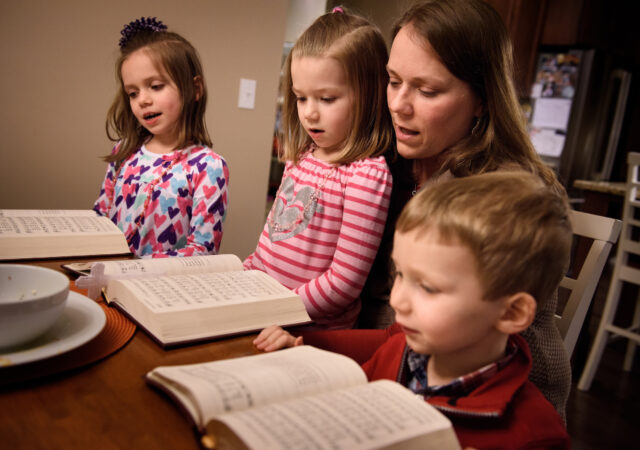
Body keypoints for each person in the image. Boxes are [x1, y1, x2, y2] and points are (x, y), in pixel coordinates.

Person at [355, 0, 572, 420]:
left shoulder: (502, 194)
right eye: (393, 80)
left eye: (427, 90)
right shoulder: (393, 164)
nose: (399, 104)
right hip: (394, 365)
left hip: (484, 408)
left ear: (482, 100)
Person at [255, 171, 571, 449]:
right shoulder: (399, 352)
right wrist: (303, 346)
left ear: (510, 313)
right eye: (401, 275)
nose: (397, 301)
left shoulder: (533, 436)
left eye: (428, 288)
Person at [243, 8, 394, 329]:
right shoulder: (301, 155)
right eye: (301, 98)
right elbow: (272, 236)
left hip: (309, 330)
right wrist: (247, 273)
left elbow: (344, 282)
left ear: (369, 96)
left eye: (326, 99)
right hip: (264, 311)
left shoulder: (366, 175)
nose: (309, 114)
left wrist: (279, 309)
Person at [93, 17, 229, 258]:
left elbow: (201, 250)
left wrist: (137, 268)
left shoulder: (208, 167)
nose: (143, 100)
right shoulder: (123, 151)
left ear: (194, 89)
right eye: (133, 93)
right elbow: (101, 215)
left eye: (155, 86)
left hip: (161, 290)